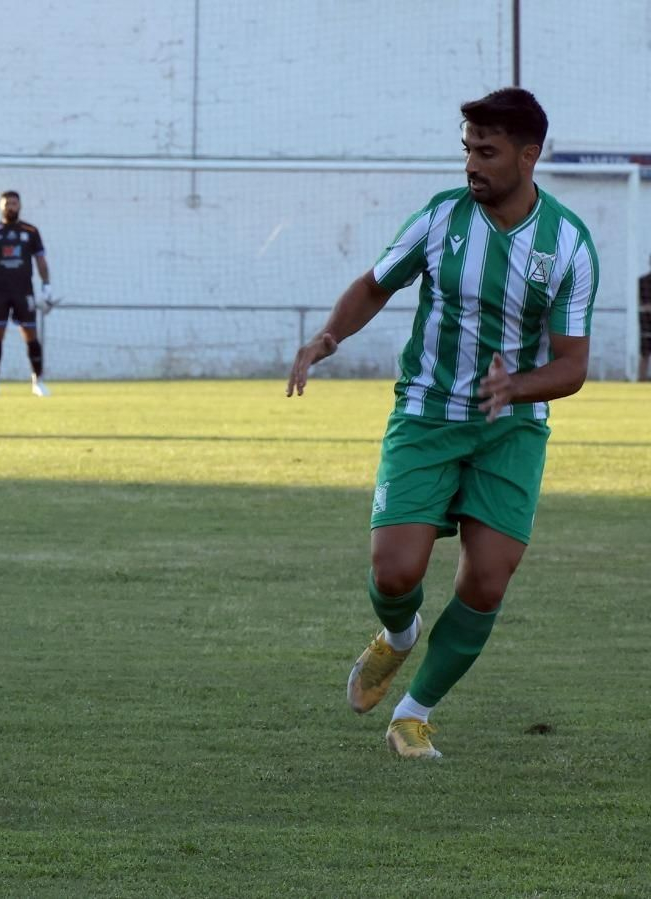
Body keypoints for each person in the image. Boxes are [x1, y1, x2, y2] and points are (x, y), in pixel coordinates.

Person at [287, 88, 595, 760]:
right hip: (427, 414)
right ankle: (397, 638)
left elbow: (572, 365)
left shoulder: (568, 244)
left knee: (487, 579)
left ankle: (413, 713)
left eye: (486, 152)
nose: (472, 164)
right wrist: (327, 338)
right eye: (467, 150)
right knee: (395, 573)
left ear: (528, 154)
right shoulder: (440, 219)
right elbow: (376, 282)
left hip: (510, 429)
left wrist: (516, 385)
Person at [0, 190, 52, 397]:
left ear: (20, 205)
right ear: (1, 206)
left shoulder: (30, 231)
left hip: (24, 292)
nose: (10, 207)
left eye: (14, 203)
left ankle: (38, 382)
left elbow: (41, 260)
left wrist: (46, 286)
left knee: (31, 335)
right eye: (7, 204)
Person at [638, 254, 650, 381]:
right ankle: (641, 380)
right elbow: (641, 304)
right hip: (646, 324)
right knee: (644, 354)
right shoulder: (643, 281)